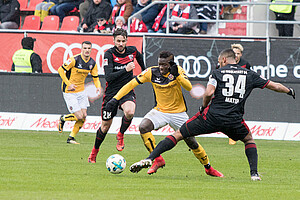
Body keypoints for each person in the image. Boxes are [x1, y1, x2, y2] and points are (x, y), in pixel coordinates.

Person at [129, 48, 296, 181]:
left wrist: (203, 107)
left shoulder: (217, 72)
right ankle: (254, 174)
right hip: (234, 119)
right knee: (249, 139)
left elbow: (208, 93)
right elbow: (273, 85)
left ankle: (151, 158)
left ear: (223, 60)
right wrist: (289, 91)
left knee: (179, 134)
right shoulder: (250, 74)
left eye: (219, 61)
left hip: (211, 116)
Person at [105, 51, 223, 177]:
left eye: (165, 65)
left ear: (171, 64)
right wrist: (115, 99)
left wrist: (177, 75)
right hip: (160, 111)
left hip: (178, 113)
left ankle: (208, 168)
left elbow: (189, 87)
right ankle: (158, 160)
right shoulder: (151, 72)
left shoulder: (178, 71)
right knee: (143, 127)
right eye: (160, 64)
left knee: (191, 142)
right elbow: (130, 84)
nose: (161, 67)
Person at [88, 28, 145, 163]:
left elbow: (139, 56)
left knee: (130, 112)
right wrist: (125, 69)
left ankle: (121, 134)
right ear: (113, 41)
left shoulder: (132, 51)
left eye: (123, 41)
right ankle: (94, 151)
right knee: (105, 126)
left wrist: (144, 70)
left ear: (126, 41)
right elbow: (108, 77)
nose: (120, 43)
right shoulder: (109, 54)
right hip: (111, 94)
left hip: (126, 90)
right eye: (118, 41)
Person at [57, 41, 101, 144]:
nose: (87, 50)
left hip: (81, 91)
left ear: (91, 50)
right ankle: (63, 119)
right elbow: (60, 70)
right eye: (85, 48)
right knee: (79, 116)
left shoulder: (92, 63)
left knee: (84, 116)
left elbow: (96, 77)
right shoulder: (74, 60)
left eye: (89, 48)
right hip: (69, 91)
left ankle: (71, 138)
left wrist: (98, 87)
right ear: (81, 49)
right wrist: (68, 84)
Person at [227, 43, 251, 145]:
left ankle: (234, 133)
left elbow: (250, 78)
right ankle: (231, 135)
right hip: (227, 93)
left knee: (237, 112)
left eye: (238, 53)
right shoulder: (225, 63)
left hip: (239, 94)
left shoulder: (246, 64)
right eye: (234, 53)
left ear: (241, 54)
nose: (236, 55)